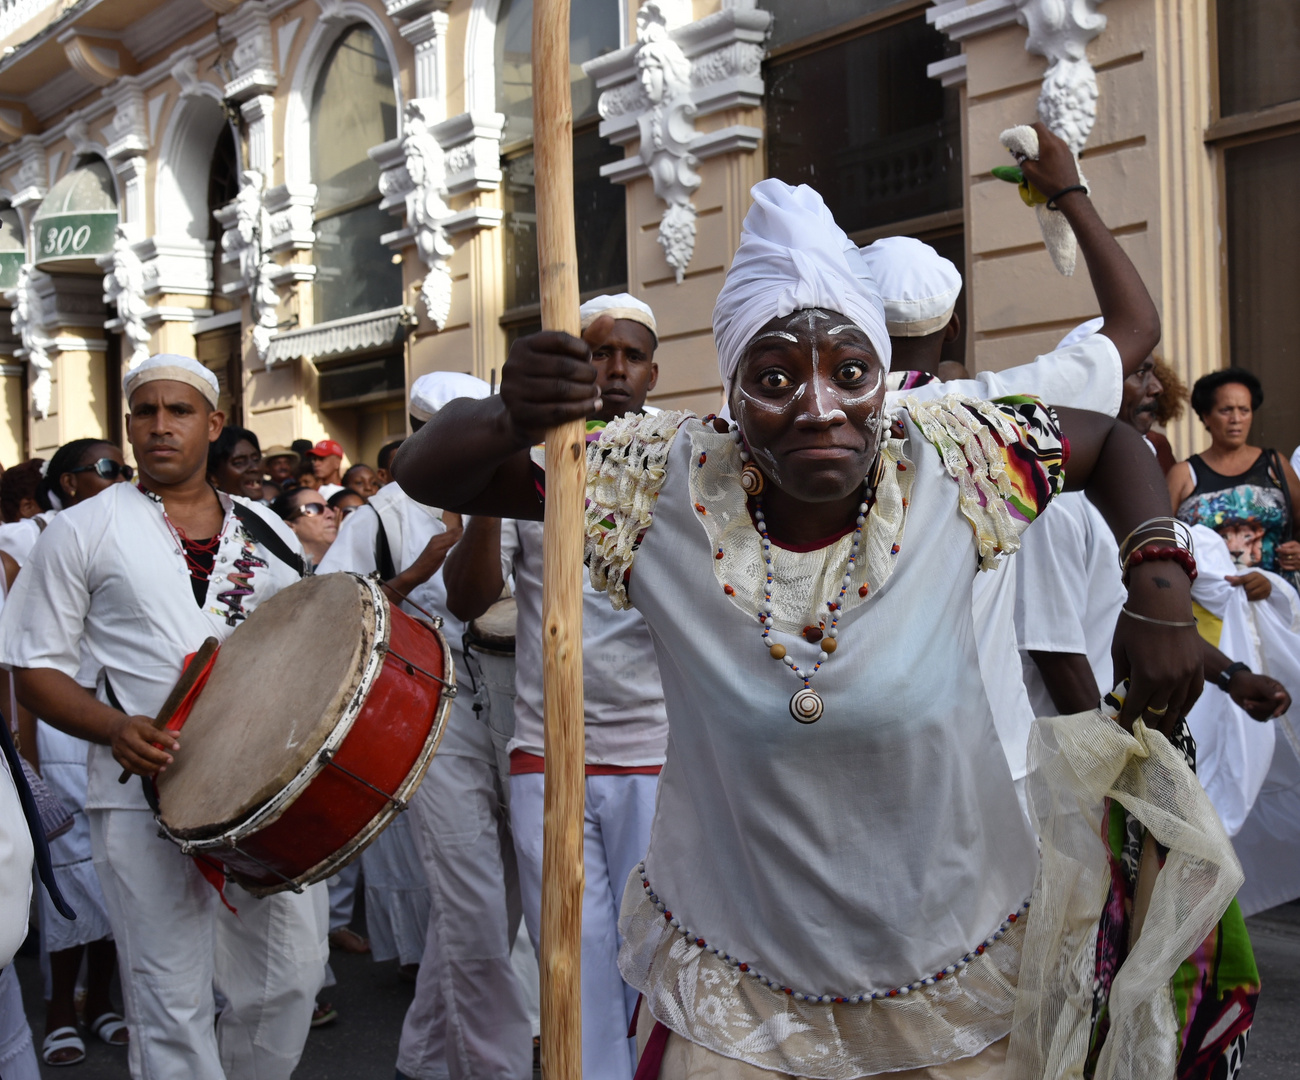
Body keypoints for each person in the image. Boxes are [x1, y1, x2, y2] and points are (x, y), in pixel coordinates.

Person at [395, 174, 1218, 1078]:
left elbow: (1113, 442)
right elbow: (431, 473)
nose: (821, 406)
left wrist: (1159, 584)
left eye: (852, 373)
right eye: (778, 378)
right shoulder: (653, 476)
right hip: (739, 961)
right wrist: (512, 415)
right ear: (731, 394)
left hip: (953, 941)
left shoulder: (949, 447)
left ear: (883, 383)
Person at [0, 353, 327, 1080]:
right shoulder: (80, 529)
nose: (159, 426)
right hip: (136, 796)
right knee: (168, 1000)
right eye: (145, 412)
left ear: (212, 425)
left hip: (263, 796)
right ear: (127, 426)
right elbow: (35, 668)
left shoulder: (268, 531)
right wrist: (114, 728)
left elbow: (311, 649)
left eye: (178, 411)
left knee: (289, 979)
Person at [860, 124, 1164, 814]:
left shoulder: (797, 430)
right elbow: (1136, 328)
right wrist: (1069, 195)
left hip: (854, 767)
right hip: (991, 763)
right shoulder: (987, 414)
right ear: (956, 329)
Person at [443, 293, 668, 1080]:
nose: (613, 369)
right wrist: (488, 495)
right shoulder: (531, 465)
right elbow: (468, 601)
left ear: (651, 369)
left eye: (629, 355)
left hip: (659, 754)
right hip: (549, 751)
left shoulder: (682, 455)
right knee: (571, 967)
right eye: (597, 353)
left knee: (662, 966)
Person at [321, 371, 532, 1080]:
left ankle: (423, 1058)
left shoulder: (517, 486)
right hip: (428, 718)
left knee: (493, 911)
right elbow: (328, 620)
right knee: (471, 910)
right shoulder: (376, 516)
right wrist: (411, 578)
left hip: (512, 712)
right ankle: (491, 1069)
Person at [15, 440, 132, 1066]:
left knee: (118, 871)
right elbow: (21, 662)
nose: (121, 478)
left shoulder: (141, 531)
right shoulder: (23, 541)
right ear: (68, 481)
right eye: (108, 469)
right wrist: (23, 747)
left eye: (124, 469)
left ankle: (104, 1001)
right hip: (58, 728)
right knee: (65, 875)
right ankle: (61, 1005)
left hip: (124, 723)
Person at [1169, 368, 1300, 591]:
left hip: (1278, 604)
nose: (1236, 419)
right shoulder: (1183, 474)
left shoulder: (1275, 465)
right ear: (1206, 416)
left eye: (1244, 410)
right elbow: (1161, 540)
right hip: (1209, 607)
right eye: (1226, 410)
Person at [269, 486, 338, 568]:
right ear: (290, 526)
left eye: (329, 507)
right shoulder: (279, 574)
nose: (331, 514)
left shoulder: (352, 564)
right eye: (314, 508)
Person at [207, 425, 264, 501]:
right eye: (239, 463)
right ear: (212, 478)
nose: (255, 468)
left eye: (256, 459)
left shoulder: (265, 511)